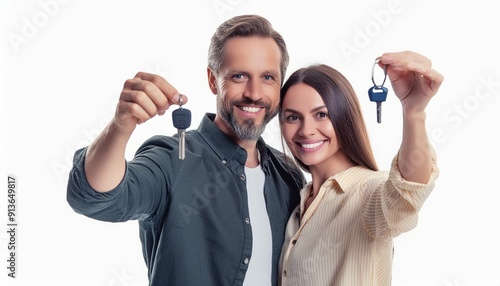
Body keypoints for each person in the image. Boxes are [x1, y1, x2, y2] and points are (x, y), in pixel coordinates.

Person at [66, 14, 305, 286]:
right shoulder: (172, 159)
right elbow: (94, 197)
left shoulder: (288, 175)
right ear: (213, 80)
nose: (254, 92)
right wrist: (121, 125)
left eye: (268, 77)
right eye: (239, 76)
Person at [277, 51, 443, 285]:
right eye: (293, 117)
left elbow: (409, 190)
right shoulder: (298, 203)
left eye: (321, 114)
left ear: (344, 117)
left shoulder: (368, 191)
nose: (306, 130)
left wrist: (413, 112)